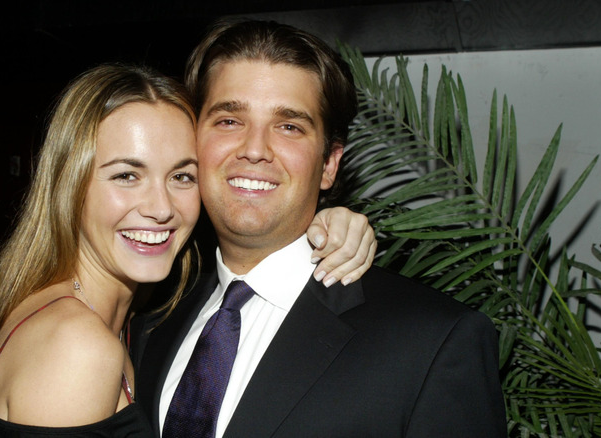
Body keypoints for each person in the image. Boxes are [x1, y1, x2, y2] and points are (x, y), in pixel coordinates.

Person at [0, 63, 376, 437]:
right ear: (69, 185)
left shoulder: (129, 317)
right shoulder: (76, 345)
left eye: (182, 177)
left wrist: (322, 225)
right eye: (127, 176)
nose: (160, 208)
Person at [131, 20, 507, 437]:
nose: (254, 149)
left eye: (289, 126)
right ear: (193, 141)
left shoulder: (434, 342)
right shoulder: (150, 317)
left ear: (329, 163)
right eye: (229, 121)